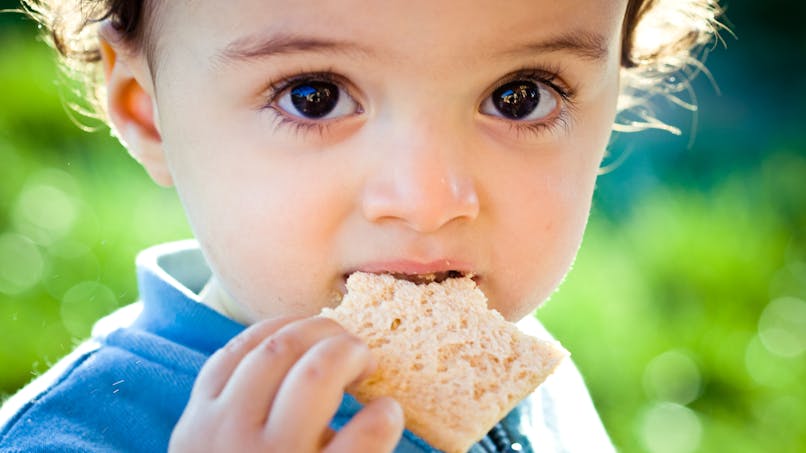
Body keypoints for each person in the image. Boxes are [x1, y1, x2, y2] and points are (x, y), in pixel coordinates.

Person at [0, 0, 723, 451]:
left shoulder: (525, 378)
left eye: (519, 96)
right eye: (314, 97)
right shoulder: (70, 439)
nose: (429, 200)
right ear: (147, 111)